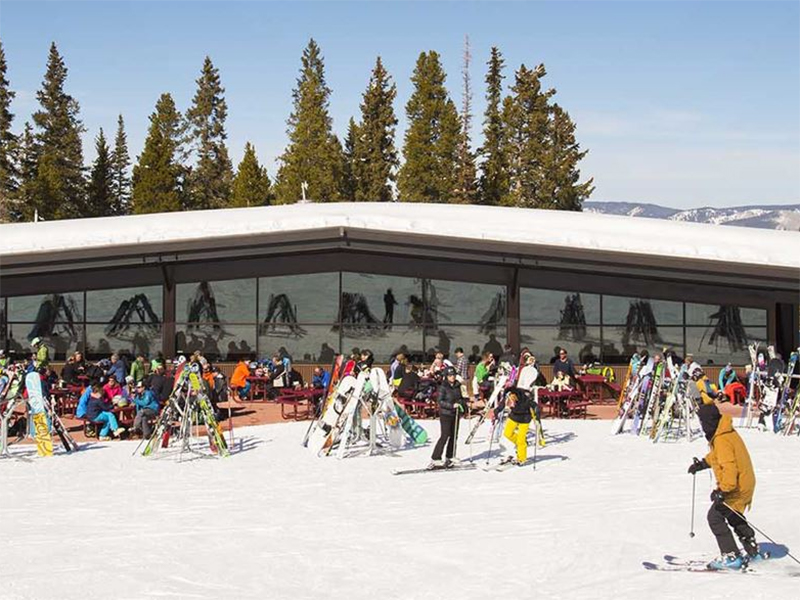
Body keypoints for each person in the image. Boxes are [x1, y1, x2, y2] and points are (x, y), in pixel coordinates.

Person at [687, 402, 759, 569]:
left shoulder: (721, 439)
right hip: (745, 482)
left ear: (709, 422)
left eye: (703, 421)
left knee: (715, 516)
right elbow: (718, 456)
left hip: (737, 485)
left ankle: (731, 555)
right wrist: (703, 463)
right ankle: (751, 546)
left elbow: (729, 468)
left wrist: (722, 490)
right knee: (732, 514)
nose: (703, 426)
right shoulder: (724, 432)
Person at [429, 367, 466, 468]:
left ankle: (450, 456)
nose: (452, 377)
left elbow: (460, 398)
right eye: (450, 375)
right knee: (445, 435)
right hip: (446, 414)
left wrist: (464, 404)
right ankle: (435, 457)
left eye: (453, 375)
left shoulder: (458, 386)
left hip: (456, 413)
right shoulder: (443, 386)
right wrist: (451, 405)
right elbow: (440, 401)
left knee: (454, 436)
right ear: (446, 377)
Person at [501, 388, 535, 465]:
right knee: (507, 433)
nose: (510, 401)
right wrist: (496, 412)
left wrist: (536, 414)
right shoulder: (509, 396)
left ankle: (522, 458)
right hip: (514, 416)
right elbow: (502, 404)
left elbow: (533, 406)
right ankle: (521, 444)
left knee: (521, 440)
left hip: (524, 419)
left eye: (512, 398)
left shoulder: (525, 399)